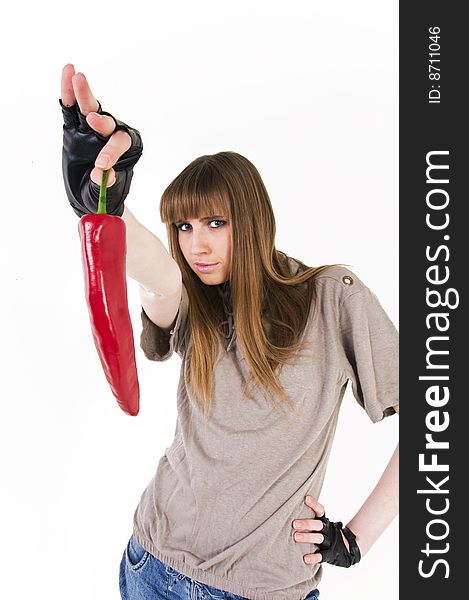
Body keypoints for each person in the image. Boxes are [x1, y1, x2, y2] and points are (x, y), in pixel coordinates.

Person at [59, 63, 399, 600]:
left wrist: (357, 538)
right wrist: (106, 208)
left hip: (265, 589)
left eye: (216, 223)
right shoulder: (192, 296)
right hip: (154, 568)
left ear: (253, 218)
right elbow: (159, 277)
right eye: (184, 227)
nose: (197, 245)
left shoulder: (333, 297)